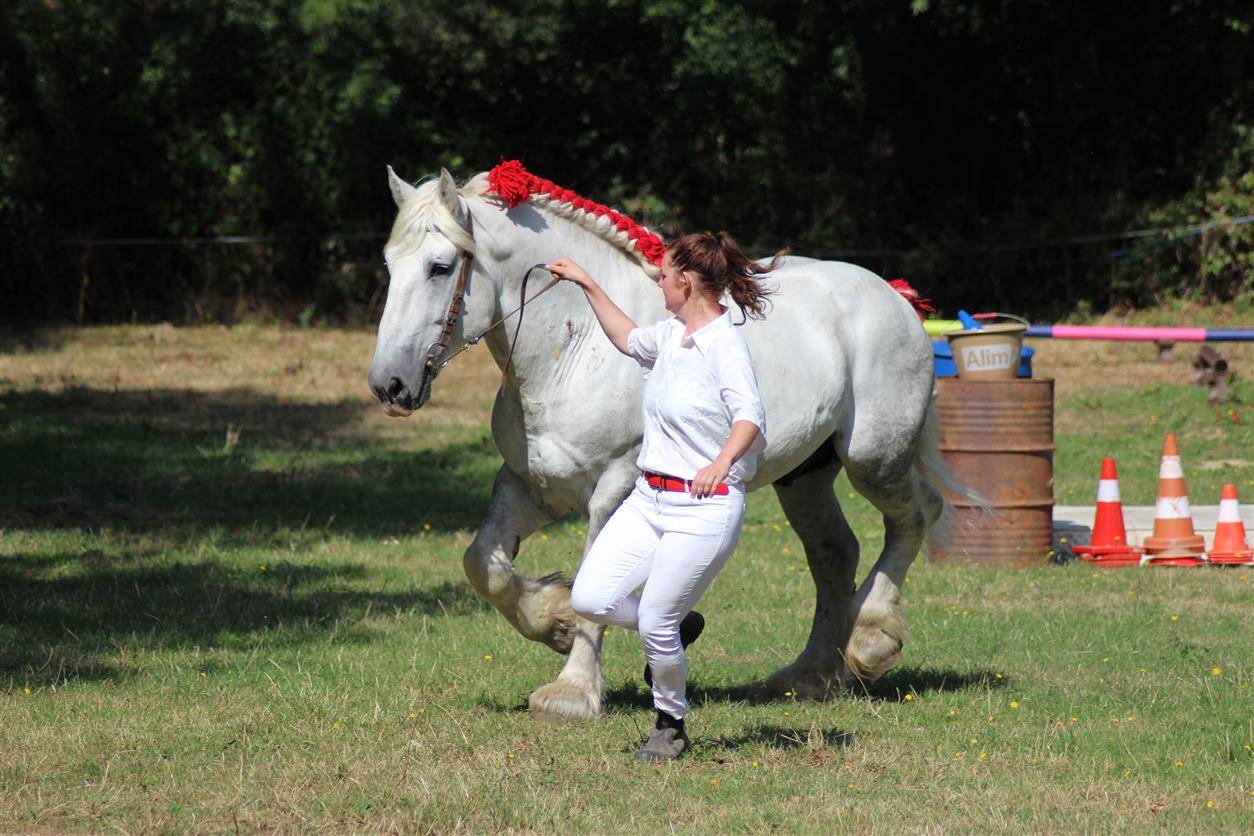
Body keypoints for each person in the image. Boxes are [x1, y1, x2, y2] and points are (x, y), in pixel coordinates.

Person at [545, 231, 778, 762]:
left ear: (688, 282)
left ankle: (670, 723)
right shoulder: (673, 334)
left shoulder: (724, 345)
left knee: (653, 622)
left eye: (664, 275)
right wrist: (586, 282)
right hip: (649, 500)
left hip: (705, 508)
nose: (658, 281)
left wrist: (719, 464)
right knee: (589, 598)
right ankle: (679, 623)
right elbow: (629, 339)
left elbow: (750, 418)